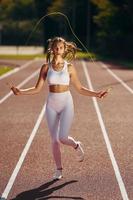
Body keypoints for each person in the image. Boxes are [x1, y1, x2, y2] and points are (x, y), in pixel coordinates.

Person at [11, 37, 108, 180]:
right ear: (51, 48)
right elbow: (37, 88)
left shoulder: (69, 67)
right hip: (51, 104)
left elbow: (80, 88)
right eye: (56, 47)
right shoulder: (45, 67)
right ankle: (58, 169)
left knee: (62, 137)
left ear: (64, 49)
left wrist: (97, 94)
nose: (58, 50)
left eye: (61, 48)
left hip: (66, 103)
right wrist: (21, 92)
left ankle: (75, 145)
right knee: (54, 140)